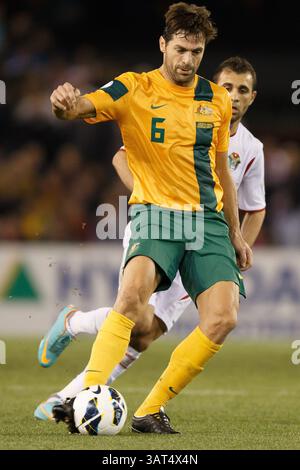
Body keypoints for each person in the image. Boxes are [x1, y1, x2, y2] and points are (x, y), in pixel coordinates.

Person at [41, 3, 252, 434]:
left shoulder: (215, 99)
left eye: (196, 52)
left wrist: (235, 233)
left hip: (206, 221)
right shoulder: (133, 87)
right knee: (133, 295)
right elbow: (79, 107)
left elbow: (222, 173)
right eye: (180, 49)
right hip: (155, 214)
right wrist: (64, 103)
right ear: (163, 44)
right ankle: (90, 393)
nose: (187, 60)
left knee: (223, 318)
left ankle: (149, 410)